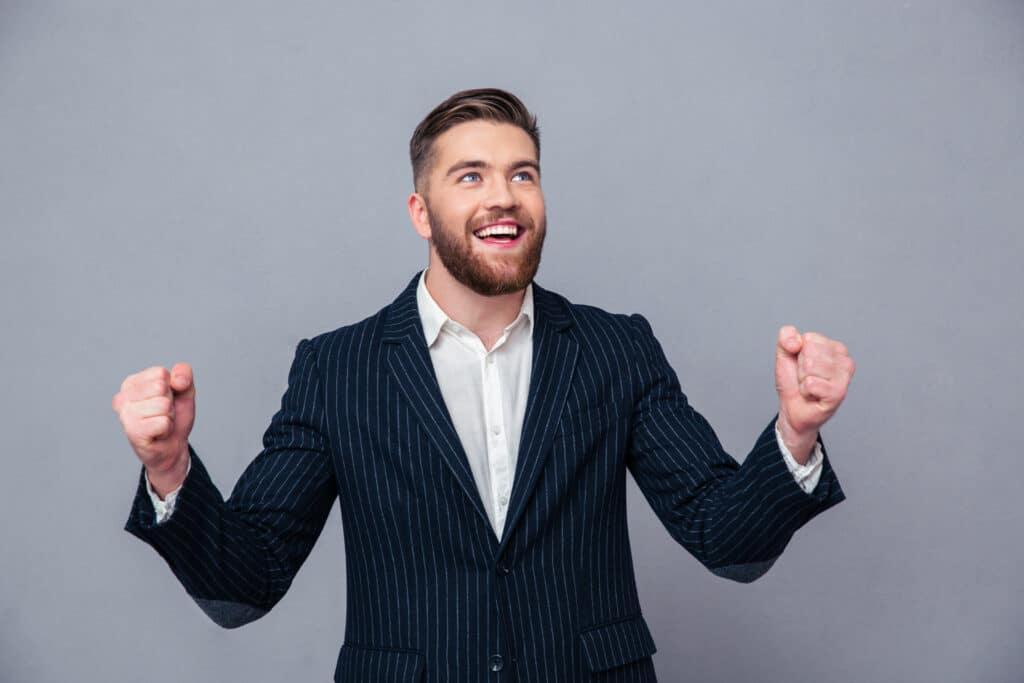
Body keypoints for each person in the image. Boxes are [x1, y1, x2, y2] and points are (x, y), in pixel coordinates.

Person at [113, 88, 854, 682]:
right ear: (421, 213)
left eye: (522, 174)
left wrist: (795, 432)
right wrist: (170, 470)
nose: (504, 197)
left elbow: (724, 535)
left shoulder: (615, 348)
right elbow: (249, 580)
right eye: (470, 176)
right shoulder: (336, 369)